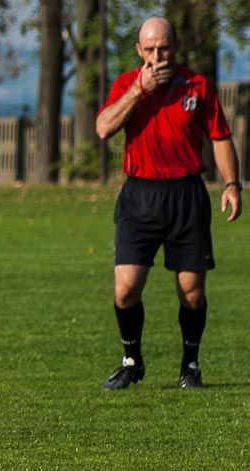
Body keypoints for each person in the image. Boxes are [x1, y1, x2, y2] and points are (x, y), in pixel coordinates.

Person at [96, 16, 242, 391]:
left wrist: (232, 184)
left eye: (164, 48)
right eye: (150, 49)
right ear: (139, 51)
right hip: (139, 195)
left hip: (186, 195)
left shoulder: (197, 85)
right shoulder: (126, 84)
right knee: (126, 289)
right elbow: (103, 127)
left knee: (192, 292)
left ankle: (190, 365)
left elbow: (220, 137)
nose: (158, 56)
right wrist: (138, 91)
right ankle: (132, 360)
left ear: (175, 47)